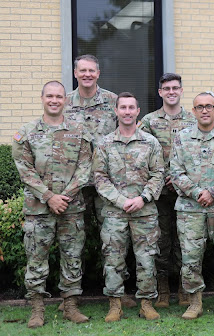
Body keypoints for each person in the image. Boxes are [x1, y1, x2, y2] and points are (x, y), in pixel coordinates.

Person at [13, 81, 92, 328]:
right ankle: (37, 309)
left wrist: (64, 196)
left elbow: (85, 167)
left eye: (59, 96)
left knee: (72, 257)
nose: (54, 100)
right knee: (36, 258)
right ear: (42, 98)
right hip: (38, 210)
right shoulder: (27, 133)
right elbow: (24, 170)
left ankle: (70, 306)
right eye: (50, 96)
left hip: (71, 207)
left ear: (65, 100)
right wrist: (49, 196)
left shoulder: (79, 132)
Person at [64, 55, 137, 309]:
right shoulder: (64, 104)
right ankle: (71, 295)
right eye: (82, 70)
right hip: (76, 184)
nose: (87, 74)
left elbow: (127, 134)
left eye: (91, 70)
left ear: (98, 73)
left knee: (114, 239)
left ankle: (119, 293)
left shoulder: (113, 101)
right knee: (74, 239)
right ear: (75, 73)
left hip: (110, 184)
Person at [93, 92, 164, 322]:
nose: (127, 112)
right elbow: (100, 178)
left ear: (137, 111)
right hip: (115, 212)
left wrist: (142, 198)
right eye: (122, 107)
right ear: (116, 111)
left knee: (147, 258)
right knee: (113, 259)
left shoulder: (150, 142)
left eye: (131, 107)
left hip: (144, 212)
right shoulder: (104, 143)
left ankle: (146, 304)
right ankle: (115, 305)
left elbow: (158, 175)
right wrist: (121, 200)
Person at [170, 92, 214, 319]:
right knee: (190, 256)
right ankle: (194, 302)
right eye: (199, 107)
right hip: (190, 208)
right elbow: (175, 171)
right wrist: (196, 192)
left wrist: (213, 192)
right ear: (193, 111)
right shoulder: (182, 138)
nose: (204, 110)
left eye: (209, 106)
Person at [139, 73, 197, 307]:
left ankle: (185, 288)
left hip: (187, 193)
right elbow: (143, 156)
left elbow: (198, 157)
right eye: (167, 88)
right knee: (161, 241)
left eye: (175, 88)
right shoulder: (148, 122)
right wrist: (166, 178)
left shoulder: (193, 120)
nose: (171, 92)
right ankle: (162, 289)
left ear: (181, 91)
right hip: (160, 193)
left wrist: (182, 180)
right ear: (160, 92)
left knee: (186, 241)